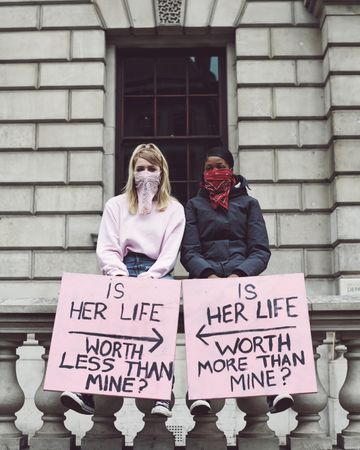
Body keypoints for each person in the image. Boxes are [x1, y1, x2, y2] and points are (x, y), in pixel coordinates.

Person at [61, 143, 185, 418]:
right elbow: (107, 247)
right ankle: (85, 389)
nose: (145, 174)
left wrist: (149, 277)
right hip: (121, 269)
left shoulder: (174, 209)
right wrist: (120, 276)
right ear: (132, 172)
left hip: (157, 272)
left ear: (162, 172)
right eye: (140, 168)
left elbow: (169, 253)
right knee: (101, 326)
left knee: (158, 330)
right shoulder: (115, 205)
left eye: (151, 168)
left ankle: (163, 392)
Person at [180, 146, 294, 415]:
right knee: (204, 335)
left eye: (218, 166)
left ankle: (273, 387)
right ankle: (199, 390)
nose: (213, 172)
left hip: (241, 279)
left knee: (256, 337)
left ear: (230, 168)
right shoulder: (194, 205)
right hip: (206, 280)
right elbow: (189, 251)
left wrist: (238, 275)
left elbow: (260, 250)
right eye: (208, 168)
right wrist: (208, 275)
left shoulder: (249, 204)